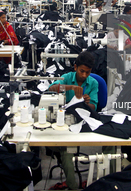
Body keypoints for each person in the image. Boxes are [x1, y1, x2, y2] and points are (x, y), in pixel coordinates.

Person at [48, 51, 99, 190]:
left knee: (112, 146)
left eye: (87, 72)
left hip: (86, 122)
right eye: (82, 71)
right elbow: (50, 89)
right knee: (65, 150)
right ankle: (73, 187)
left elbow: (94, 106)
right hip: (67, 122)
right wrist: (70, 87)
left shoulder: (93, 83)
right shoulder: (66, 77)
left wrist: (87, 103)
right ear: (75, 67)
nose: (84, 75)